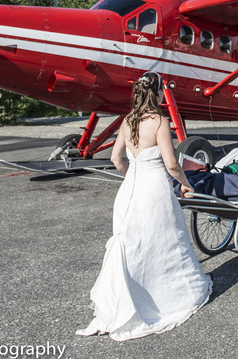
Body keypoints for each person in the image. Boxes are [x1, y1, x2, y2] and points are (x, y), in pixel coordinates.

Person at [76, 71, 212, 341]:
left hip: (130, 191)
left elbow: (116, 159)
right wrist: (186, 184)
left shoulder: (127, 122)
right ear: (158, 93)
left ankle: (128, 301)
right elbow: (172, 165)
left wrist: (133, 177)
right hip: (155, 190)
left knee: (133, 243)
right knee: (162, 241)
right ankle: (168, 298)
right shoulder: (159, 121)